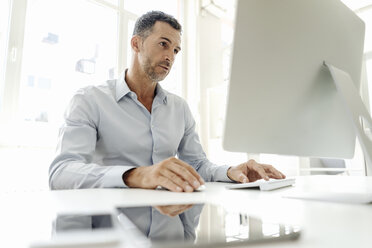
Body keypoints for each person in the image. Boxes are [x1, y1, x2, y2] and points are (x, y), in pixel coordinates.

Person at [49, 10, 285, 240]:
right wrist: (136, 175)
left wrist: (230, 172)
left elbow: (197, 165)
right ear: (136, 43)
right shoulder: (90, 100)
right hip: (115, 236)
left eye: (175, 50)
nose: (170, 56)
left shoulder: (179, 108)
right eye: (163, 44)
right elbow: (62, 172)